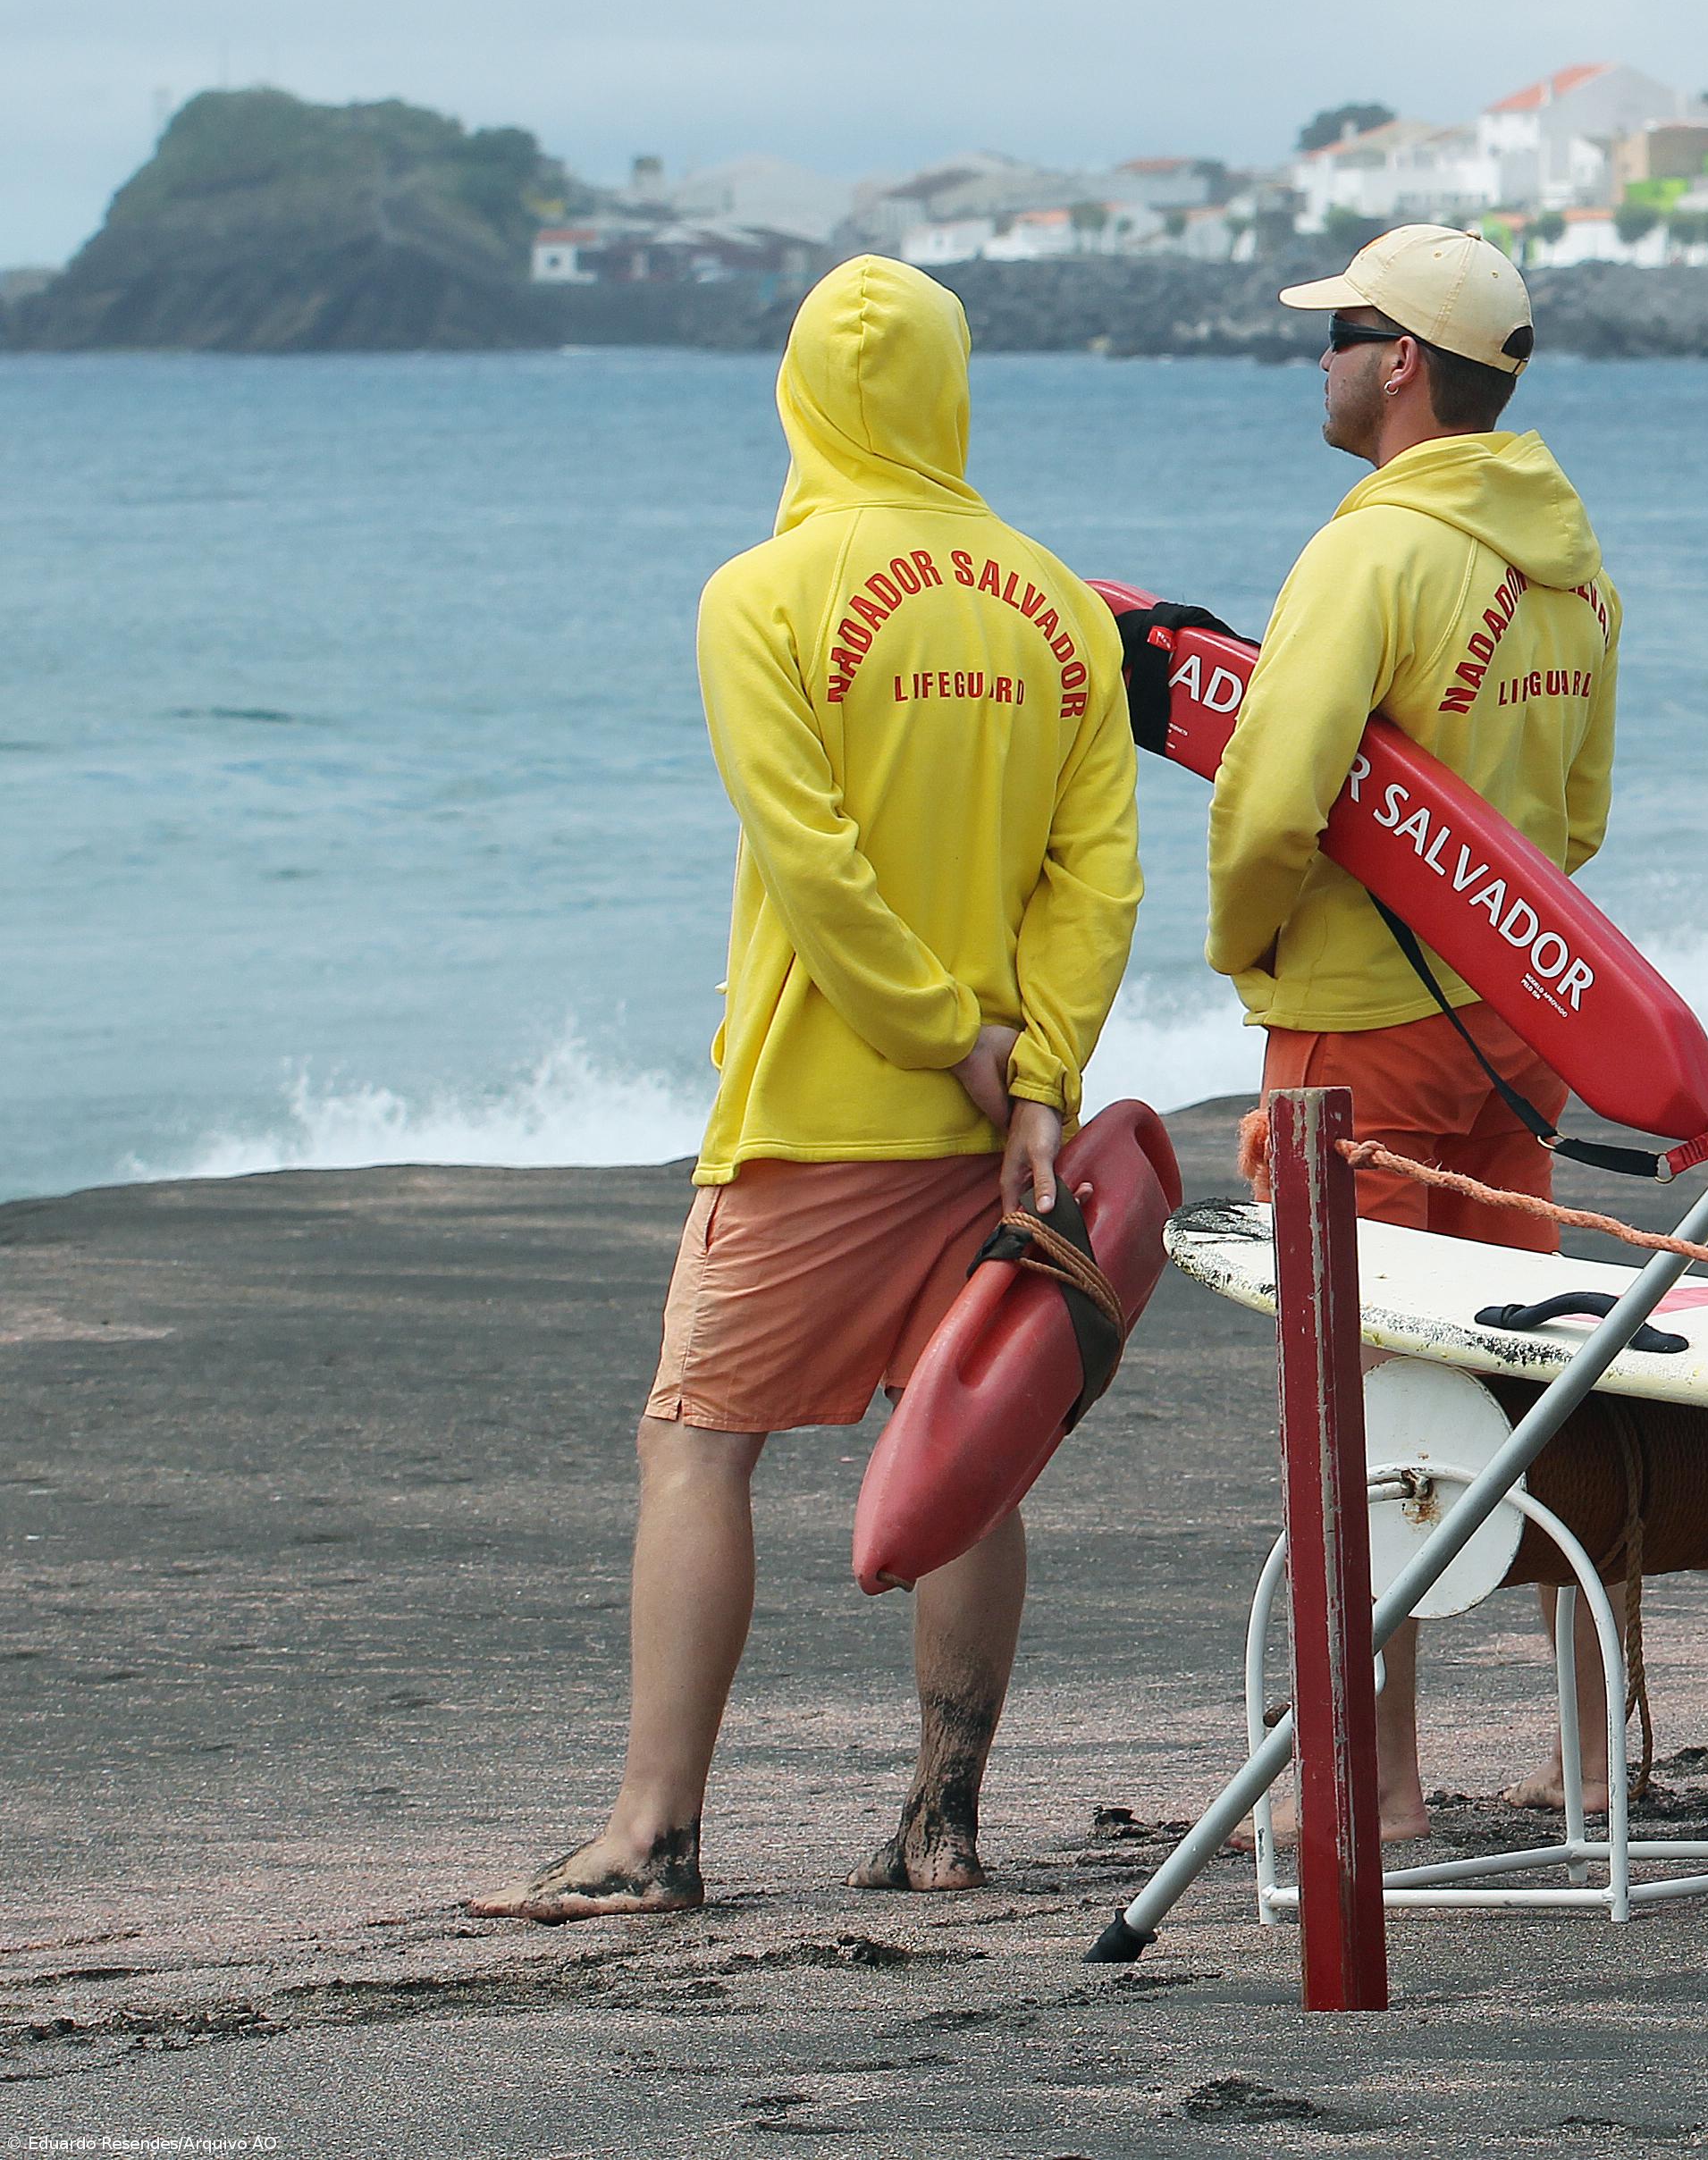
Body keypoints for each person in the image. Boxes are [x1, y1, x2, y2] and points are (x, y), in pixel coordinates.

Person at [475, 256, 1140, 1920]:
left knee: (696, 1443)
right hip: (1002, 1137)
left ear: (802, 397)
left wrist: (939, 1034)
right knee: (966, 1456)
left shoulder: (761, 595)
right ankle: (942, 1822)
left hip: (818, 1114)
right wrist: (1034, 1075)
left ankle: (654, 1836)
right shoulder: (1061, 606)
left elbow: (815, 864)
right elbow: (1099, 879)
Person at [1207, 223, 1620, 1838]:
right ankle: (1594, 1752)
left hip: (1358, 1037)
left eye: (1338, 333)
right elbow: (1576, 815)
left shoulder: (1369, 555)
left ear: (1400, 364)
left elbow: (1273, 793)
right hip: (1519, 1025)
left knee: (1355, 1394)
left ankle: (1375, 1788)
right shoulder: (1569, 559)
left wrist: (1247, 948)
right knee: (1526, 1374)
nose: (1314, 358)